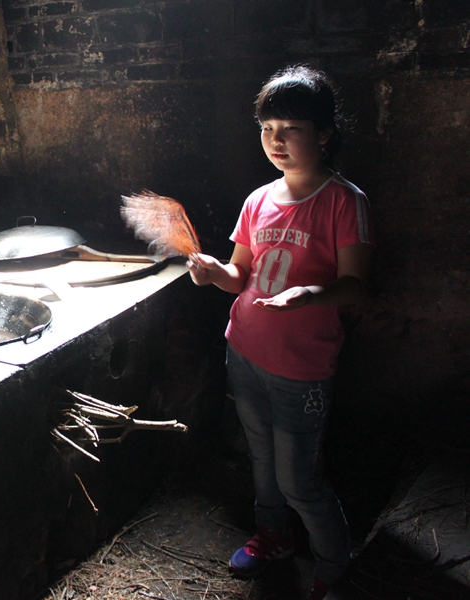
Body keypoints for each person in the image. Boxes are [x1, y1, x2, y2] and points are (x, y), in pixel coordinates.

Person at [187, 65, 374, 600]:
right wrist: (212, 273)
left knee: (299, 479)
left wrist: (308, 294)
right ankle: (273, 538)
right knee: (262, 458)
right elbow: (239, 276)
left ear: (324, 134)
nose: (276, 140)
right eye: (267, 128)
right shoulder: (258, 200)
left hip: (301, 366)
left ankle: (334, 563)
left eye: (291, 128)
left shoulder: (344, 201)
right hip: (245, 350)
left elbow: (356, 284)